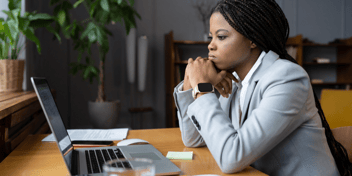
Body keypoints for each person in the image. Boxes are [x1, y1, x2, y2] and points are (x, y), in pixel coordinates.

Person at [173, 0, 352, 175]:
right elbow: (194, 139)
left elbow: (231, 157)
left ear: (253, 39)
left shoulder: (286, 78)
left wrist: (202, 88)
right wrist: (191, 80)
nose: (210, 45)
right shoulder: (232, 80)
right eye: (211, 37)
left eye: (221, 37)